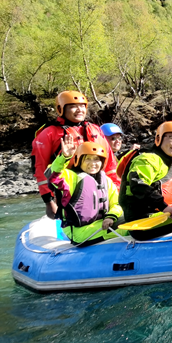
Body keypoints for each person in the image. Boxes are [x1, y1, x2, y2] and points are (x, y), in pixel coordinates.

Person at [32, 91, 117, 219]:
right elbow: (40, 168)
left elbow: (110, 165)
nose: (80, 110)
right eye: (73, 106)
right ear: (61, 109)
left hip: (101, 188)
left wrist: (117, 190)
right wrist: (48, 201)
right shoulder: (48, 133)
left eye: (82, 106)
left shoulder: (95, 129)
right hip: (69, 191)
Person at [46, 138, 126, 245]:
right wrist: (64, 157)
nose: (93, 163)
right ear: (79, 160)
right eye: (88, 159)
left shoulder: (106, 180)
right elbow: (52, 174)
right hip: (80, 231)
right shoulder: (70, 177)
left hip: (102, 223)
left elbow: (116, 203)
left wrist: (111, 216)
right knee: (129, 229)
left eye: (96, 159)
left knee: (134, 218)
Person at [100, 123, 140, 189]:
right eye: (113, 138)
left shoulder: (115, 156)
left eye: (119, 138)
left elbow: (117, 159)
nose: (118, 141)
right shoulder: (101, 158)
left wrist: (130, 152)